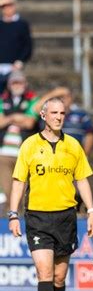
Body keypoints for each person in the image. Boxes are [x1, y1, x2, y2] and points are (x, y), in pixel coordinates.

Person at [8, 97, 93, 291]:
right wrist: (13, 214)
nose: (59, 117)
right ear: (43, 116)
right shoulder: (29, 145)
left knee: (59, 277)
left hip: (66, 217)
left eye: (62, 113)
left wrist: (91, 211)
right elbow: (19, 181)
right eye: (54, 112)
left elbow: (82, 179)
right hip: (38, 217)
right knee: (44, 272)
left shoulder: (73, 146)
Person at [0, 70, 39, 212]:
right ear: (9, 85)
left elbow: (29, 123)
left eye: (20, 82)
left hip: (23, 153)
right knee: (7, 190)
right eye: (14, 82)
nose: (17, 85)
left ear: (25, 84)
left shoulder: (32, 100)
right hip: (4, 154)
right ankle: (8, 225)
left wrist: (8, 118)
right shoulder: (2, 100)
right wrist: (17, 118)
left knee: (22, 191)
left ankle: (21, 223)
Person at [34, 86, 93, 156]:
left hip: (74, 155)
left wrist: (85, 156)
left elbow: (90, 135)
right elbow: (36, 108)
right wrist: (54, 93)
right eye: (59, 97)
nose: (63, 99)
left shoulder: (81, 114)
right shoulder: (49, 114)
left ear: (71, 98)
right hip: (51, 156)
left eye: (66, 96)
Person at [0, 0, 32, 93]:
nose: (7, 8)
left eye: (9, 5)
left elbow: (27, 45)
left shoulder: (22, 24)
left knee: (15, 93)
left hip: (14, 67)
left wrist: (20, 62)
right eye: (4, 6)